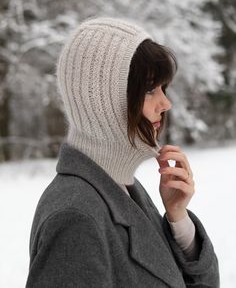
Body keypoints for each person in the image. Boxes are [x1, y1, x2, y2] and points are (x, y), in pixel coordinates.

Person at [26, 17, 219, 288]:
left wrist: (178, 219)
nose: (166, 103)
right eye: (150, 89)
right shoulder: (76, 217)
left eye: (164, 88)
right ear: (103, 102)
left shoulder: (122, 188)